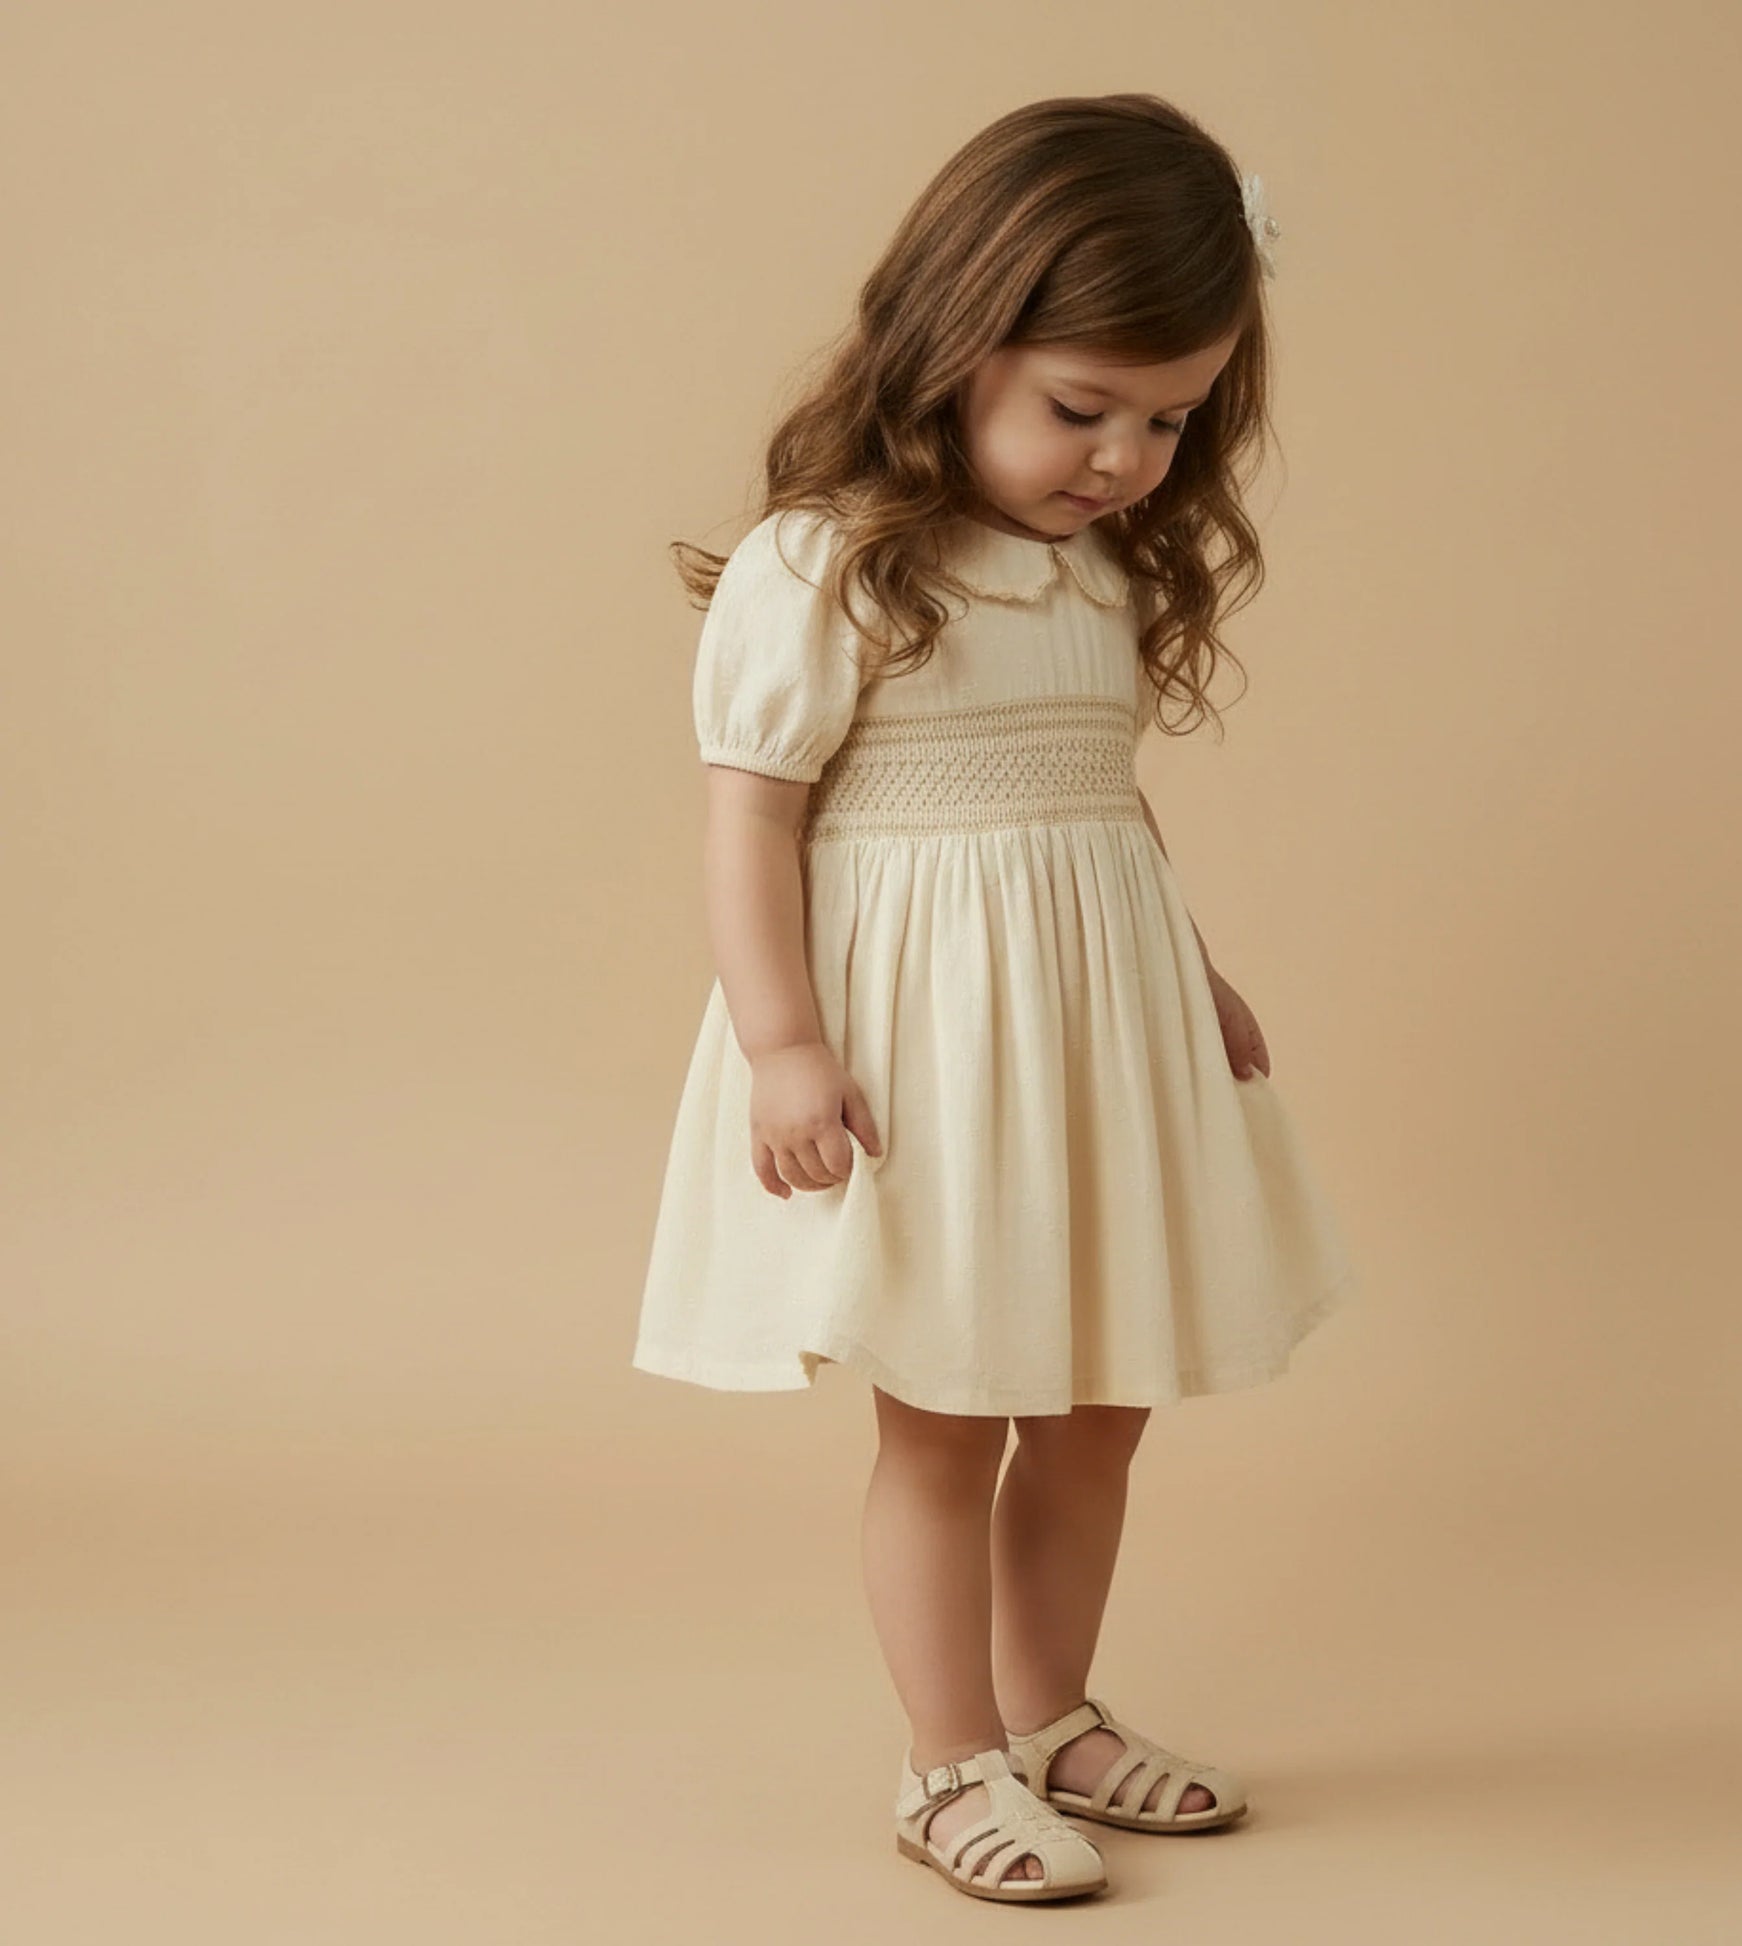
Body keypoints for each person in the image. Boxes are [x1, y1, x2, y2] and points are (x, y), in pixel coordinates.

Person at [633, 93, 1360, 1904]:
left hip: (1083, 1031)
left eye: (1168, 419)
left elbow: (1092, 798)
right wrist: (787, 1045)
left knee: (1098, 1400)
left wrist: (1190, 971)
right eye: (1078, 407)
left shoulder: (1101, 567)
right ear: (957, 338)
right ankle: (945, 1760)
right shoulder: (830, 564)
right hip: (921, 1056)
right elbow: (754, 816)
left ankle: (1052, 1719)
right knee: (947, 1410)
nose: (1122, 457)